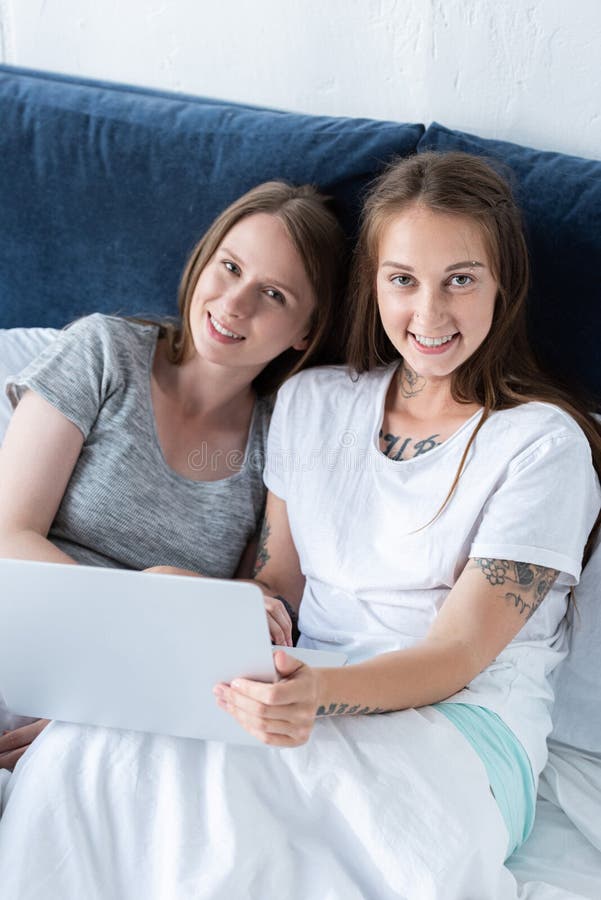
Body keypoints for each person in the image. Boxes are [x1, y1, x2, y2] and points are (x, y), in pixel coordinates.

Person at [0, 152, 599, 900]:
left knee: (259, 842)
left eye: (461, 279)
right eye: (403, 280)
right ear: (373, 284)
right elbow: (277, 584)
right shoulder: (314, 403)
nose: (430, 314)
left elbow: (456, 651)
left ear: (502, 281)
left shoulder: (543, 443)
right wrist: (225, 623)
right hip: (291, 691)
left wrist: (315, 692)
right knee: (86, 759)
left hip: (455, 724)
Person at [0, 180, 347, 771]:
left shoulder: (281, 439)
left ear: (306, 333)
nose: (236, 304)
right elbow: (8, 535)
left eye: (273, 294)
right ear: (203, 259)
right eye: (230, 267)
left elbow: (258, 617)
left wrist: (99, 711)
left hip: (129, 697)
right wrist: (151, 590)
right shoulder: (102, 352)